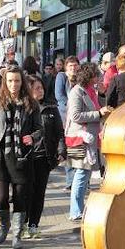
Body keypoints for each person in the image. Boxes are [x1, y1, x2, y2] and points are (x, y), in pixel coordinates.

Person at [0, 65, 42, 249]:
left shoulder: (31, 103)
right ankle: (4, 227)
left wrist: (33, 137)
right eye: (10, 81)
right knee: (0, 199)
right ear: (5, 82)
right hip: (0, 155)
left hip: (22, 156)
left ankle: (17, 234)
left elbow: (40, 129)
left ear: (22, 82)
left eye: (16, 80)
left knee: (20, 197)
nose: (13, 84)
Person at [65, 63, 112, 221]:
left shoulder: (91, 91)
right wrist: (98, 113)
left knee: (84, 174)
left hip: (90, 138)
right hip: (82, 137)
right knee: (81, 173)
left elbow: (99, 108)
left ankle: (77, 208)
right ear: (88, 76)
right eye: (95, 75)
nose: (98, 78)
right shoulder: (76, 92)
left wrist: (103, 96)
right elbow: (76, 116)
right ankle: (75, 210)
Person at [25, 76, 66, 238]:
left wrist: (62, 150)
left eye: (41, 87)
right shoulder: (24, 109)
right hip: (27, 156)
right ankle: (23, 220)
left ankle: (33, 224)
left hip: (45, 156)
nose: (39, 90)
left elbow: (59, 131)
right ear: (28, 90)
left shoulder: (51, 108)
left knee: (39, 192)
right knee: (26, 191)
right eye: (36, 88)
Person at [55, 56, 80, 190]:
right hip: (66, 117)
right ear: (66, 67)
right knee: (69, 148)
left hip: (80, 118)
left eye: (75, 65)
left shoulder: (81, 78)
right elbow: (59, 96)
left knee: (80, 149)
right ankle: (71, 182)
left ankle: (82, 181)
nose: (73, 68)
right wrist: (72, 107)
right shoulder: (61, 77)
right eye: (70, 66)